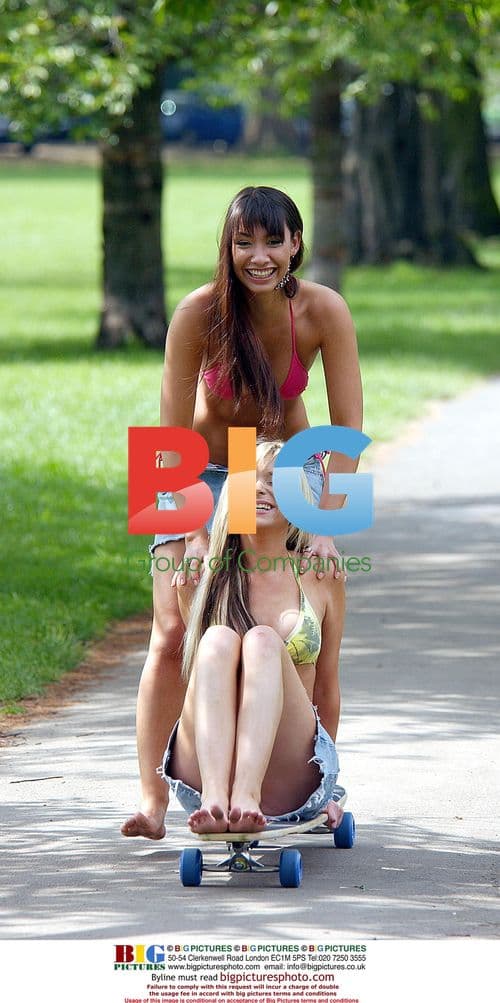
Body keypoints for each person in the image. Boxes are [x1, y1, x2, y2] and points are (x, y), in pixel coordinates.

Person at [121, 185, 362, 840]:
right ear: (227, 247)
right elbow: (168, 432)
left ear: (296, 243)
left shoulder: (322, 311)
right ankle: (153, 796)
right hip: (199, 463)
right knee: (174, 631)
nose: (259, 256)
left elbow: (347, 424)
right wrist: (194, 529)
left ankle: (313, 783)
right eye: (244, 242)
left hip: (287, 461)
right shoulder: (199, 311)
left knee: (298, 627)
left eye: (273, 240)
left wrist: (331, 525)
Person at [161, 441, 345, 834]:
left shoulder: (318, 576)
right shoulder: (205, 575)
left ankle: (246, 794)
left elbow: (327, 686)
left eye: (277, 481)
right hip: (207, 769)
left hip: (286, 772)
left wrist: (327, 787)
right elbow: (197, 685)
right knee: (216, 642)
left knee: (262, 641)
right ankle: (216, 799)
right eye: (251, 480)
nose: (261, 488)